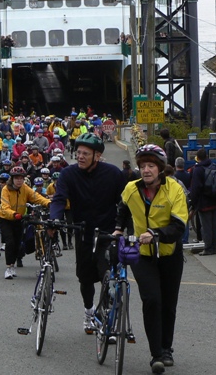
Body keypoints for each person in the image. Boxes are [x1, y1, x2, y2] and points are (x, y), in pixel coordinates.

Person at [114, 144, 188, 374]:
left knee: (168, 304)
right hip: (142, 256)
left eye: (151, 166)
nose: (146, 170)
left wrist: (156, 234)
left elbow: (179, 226)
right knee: (152, 300)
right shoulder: (131, 188)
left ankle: (166, 348)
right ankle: (156, 354)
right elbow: (123, 209)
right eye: (143, 166)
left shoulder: (174, 190)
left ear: (161, 168)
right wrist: (118, 229)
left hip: (169, 254)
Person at [49, 133, 126, 333]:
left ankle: (106, 315)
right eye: (78, 152)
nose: (80, 156)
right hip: (83, 233)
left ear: (97, 156)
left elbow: (125, 202)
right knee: (85, 279)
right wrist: (55, 218)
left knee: (106, 274)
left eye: (85, 153)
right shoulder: (68, 174)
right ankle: (88, 311)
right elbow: (59, 198)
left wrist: (121, 226)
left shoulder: (113, 174)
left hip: (107, 233)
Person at [0, 166, 50, 279]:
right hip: (5, 218)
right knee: (10, 242)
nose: (19, 180)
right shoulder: (6, 189)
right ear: (12, 179)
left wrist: (48, 203)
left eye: (21, 178)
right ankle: (9, 267)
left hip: (19, 218)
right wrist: (14, 214)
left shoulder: (25, 188)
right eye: (16, 178)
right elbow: (5, 207)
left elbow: (36, 197)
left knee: (17, 244)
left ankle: (13, 264)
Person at [189, 148, 216, 256]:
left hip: (204, 202)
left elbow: (196, 188)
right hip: (215, 200)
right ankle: (214, 246)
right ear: (207, 156)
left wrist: (193, 204)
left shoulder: (198, 169)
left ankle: (208, 248)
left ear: (198, 158)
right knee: (214, 225)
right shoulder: (214, 166)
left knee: (206, 226)